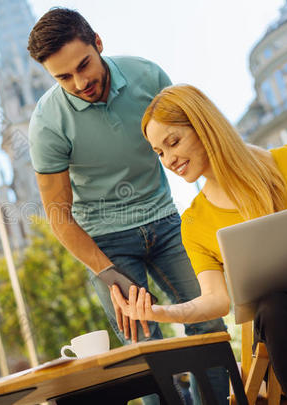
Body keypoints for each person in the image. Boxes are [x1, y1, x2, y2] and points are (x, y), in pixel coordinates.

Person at [112, 83, 287, 405]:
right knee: (274, 305)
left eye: (173, 142)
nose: (169, 159)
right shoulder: (195, 221)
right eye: (160, 152)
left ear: (204, 127)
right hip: (278, 325)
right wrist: (162, 313)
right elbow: (216, 300)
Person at [27, 8, 228, 405]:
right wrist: (106, 271)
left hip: (167, 223)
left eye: (84, 65)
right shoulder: (47, 123)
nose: (80, 82)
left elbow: (195, 146)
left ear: (98, 43)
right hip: (105, 243)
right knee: (144, 350)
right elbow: (58, 215)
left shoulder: (148, 77)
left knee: (209, 325)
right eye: (63, 77)